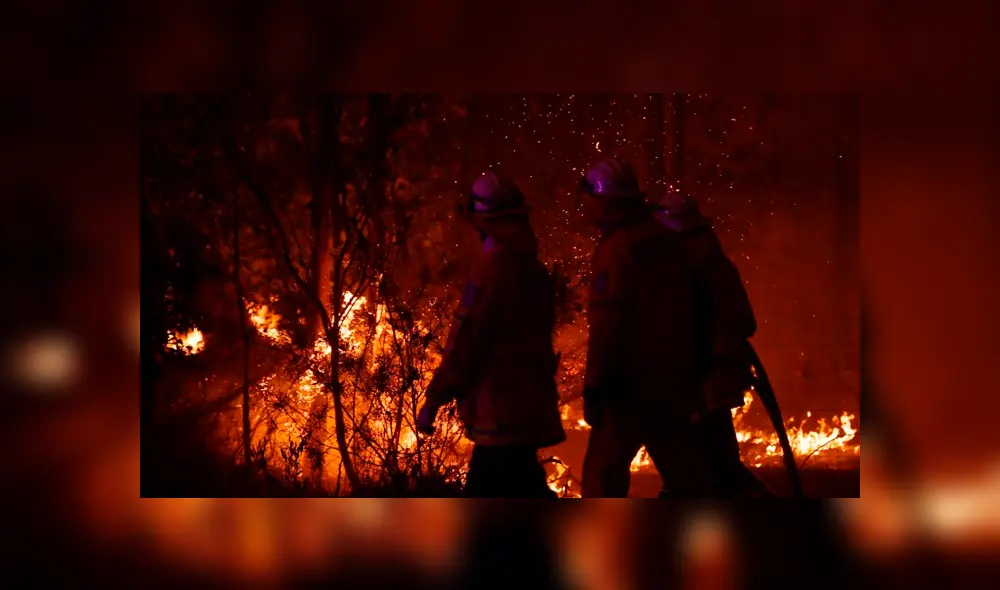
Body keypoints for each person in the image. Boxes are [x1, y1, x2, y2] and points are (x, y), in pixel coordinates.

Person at [416, 172, 565, 498]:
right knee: (523, 486)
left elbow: (467, 340)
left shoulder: (491, 270)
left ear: (482, 219)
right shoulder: (534, 270)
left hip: (499, 411)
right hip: (528, 407)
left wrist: (434, 398)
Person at [577, 157, 716, 498]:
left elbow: (608, 325)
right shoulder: (666, 240)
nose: (584, 207)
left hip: (626, 389)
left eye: (588, 199)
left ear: (603, 200)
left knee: (602, 481)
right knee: (688, 482)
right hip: (672, 384)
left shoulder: (616, 250)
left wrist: (595, 386)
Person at [653, 192, 772, 498]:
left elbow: (681, 334)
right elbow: (746, 322)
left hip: (701, 385)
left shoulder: (690, 272)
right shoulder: (715, 264)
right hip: (712, 383)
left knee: (701, 470)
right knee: (720, 465)